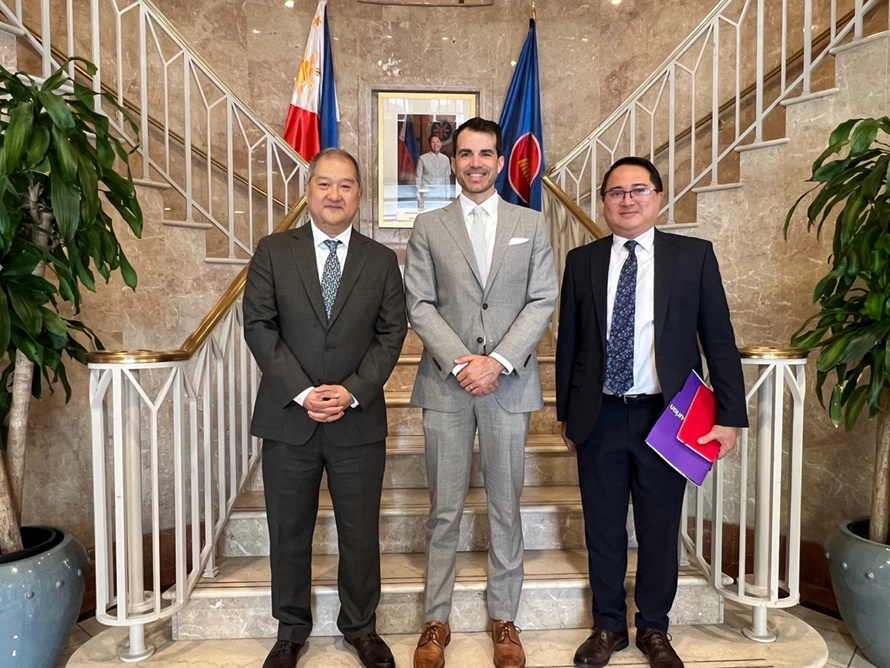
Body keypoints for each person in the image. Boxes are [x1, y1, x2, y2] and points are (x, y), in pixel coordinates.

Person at [555, 156, 748, 668]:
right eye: (616, 192)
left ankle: (655, 629)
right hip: (599, 417)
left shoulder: (694, 257)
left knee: (660, 527)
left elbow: (720, 340)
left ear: (659, 197)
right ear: (604, 202)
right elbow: (570, 344)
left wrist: (729, 415)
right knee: (603, 527)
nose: (627, 200)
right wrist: (566, 417)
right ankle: (609, 626)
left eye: (638, 190)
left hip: (669, 418)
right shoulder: (583, 261)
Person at [243, 148, 408, 668]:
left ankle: (361, 627)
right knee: (287, 529)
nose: (335, 195)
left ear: (359, 196)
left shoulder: (380, 260)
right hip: (289, 418)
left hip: (356, 420)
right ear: (309, 191)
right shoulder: (273, 251)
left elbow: (391, 332)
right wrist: (302, 390)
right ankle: (290, 630)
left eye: (346, 186)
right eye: (324, 185)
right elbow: (259, 325)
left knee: (359, 530)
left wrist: (353, 390)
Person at [404, 117, 558, 668]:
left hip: (507, 386)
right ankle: (435, 620)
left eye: (484, 153)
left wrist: (496, 362)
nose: (474, 162)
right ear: (453, 161)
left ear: (500, 161)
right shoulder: (428, 225)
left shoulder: (531, 223)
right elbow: (419, 303)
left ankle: (505, 618)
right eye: (465, 153)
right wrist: (462, 362)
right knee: (443, 510)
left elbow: (542, 298)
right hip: (446, 387)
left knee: (504, 507)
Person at [415, 134, 452, 209]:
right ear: (429, 144)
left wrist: (448, 197)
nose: (435, 144)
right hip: (427, 197)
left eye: (437, 142)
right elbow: (417, 179)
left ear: (441, 144)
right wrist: (419, 198)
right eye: (433, 142)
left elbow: (447, 180)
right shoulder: (422, 159)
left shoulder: (446, 159)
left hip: (441, 197)